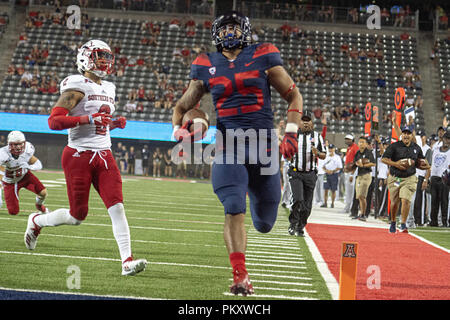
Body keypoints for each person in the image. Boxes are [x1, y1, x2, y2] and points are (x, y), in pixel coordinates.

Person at [171, 11, 303, 296]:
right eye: (224, 28)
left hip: (264, 146)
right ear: (215, 34)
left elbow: (294, 95)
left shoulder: (264, 55)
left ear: (244, 30)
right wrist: (179, 132)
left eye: (234, 27)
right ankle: (240, 276)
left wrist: (290, 132)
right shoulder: (206, 64)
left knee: (265, 222)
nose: (229, 32)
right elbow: (182, 108)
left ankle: (259, 214)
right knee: (233, 205)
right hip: (229, 143)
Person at [24, 39, 147, 276]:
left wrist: (113, 124)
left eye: (108, 57)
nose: (105, 61)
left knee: (117, 207)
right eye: (100, 56)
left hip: (104, 155)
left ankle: (126, 262)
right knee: (77, 216)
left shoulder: (110, 87)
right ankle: (37, 221)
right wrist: (88, 119)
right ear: (86, 57)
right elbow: (54, 121)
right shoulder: (76, 84)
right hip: (78, 155)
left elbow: (99, 122)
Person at [382, 125, 429, 233]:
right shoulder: (394, 146)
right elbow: (384, 159)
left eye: (408, 133)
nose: (406, 135)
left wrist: (425, 165)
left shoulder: (416, 148)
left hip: (409, 178)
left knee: (406, 200)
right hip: (396, 178)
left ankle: (403, 223)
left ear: (412, 135)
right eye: (404, 133)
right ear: (401, 134)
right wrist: (396, 164)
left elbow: (421, 161)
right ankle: (393, 222)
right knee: (394, 202)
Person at [287, 111, 325, 235]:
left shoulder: (317, 136)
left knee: (307, 205)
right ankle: (293, 224)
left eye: (308, 120)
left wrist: (317, 153)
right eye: (303, 120)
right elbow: (286, 152)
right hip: (296, 172)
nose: (305, 123)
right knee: (298, 199)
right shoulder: (293, 136)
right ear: (299, 122)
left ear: (312, 123)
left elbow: (323, 155)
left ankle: (300, 226)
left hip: (310, 174)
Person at [0, 131, 48, 215]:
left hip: (25, 176)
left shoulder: (28, 149)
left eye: (20, 144)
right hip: (10, 182)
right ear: (9, 144)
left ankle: (39, 205)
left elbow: (38, 164)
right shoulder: (3, 154)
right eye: (15, 144)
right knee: (13, 212)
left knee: (43, 192)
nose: (18, 147)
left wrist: (29, 167)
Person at [429, 130, 450, 227]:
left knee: (444, 201)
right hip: (434, 177)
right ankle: (433, 221)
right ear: (443, 139)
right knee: (434, 201)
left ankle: (444, 221)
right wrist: (429, 177)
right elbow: (432, 164)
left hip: (444, 179)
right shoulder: (435, 149)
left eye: (449, 139)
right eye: (446, 138)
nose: (447, 141)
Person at [352, 136, 376, 221]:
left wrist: (364, 165)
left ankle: (363, 214)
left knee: (363, 196)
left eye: (363, 142)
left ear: (366, 144)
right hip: (359, 175)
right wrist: (352, 168)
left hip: (366, 174)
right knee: (358, 196)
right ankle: (361, 213)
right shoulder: (358, 153)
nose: (361, 143)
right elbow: (355, 163)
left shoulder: (369, 153)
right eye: (360, 142)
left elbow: (373, 163)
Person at [321, 144, 341, 209]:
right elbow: (323, 166)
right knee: (325, 189)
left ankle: (332, 203)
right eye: (329, 148)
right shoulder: (326, 157)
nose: (330, 150)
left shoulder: (337, 157)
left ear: (334, 149)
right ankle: (325, 203)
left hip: (334, 174)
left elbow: (339, 167)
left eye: (332, 148)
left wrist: (333, 171)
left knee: (333, 190)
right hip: (326, 174)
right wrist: (327, 171)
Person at [343, 134, 359, 215]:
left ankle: (351, 207)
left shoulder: (355, 147)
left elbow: (356, 161)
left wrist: (352, 174)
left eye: (348, 139)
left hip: (352, 172)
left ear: (352, 140)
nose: (347, 140)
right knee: (347, 191)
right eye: (346, 139)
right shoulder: (349, 148)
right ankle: (347, 206)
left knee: (351, 191)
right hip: (348, 171)